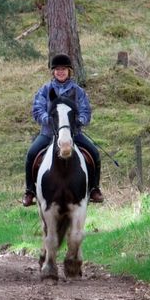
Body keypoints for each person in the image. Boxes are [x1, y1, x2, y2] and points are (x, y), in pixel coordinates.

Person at [22, 54, 103, 207]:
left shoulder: (78, 91)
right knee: (31, 154)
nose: (60, 72)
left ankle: (94, 189)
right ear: (53, 71)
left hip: (73, 133)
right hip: (48, 133)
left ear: (69, 71)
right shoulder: (45, 90)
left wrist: (80, 120)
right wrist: (48, 119)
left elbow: (85, 110)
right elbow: (37, 109)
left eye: (63, 69)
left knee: (94, 153)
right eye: (57, 69)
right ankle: (30, 191)